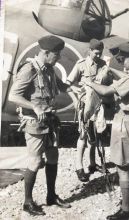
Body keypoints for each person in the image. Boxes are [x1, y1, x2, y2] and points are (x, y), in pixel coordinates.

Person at [85, 42, 129, 219]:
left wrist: (89, 82)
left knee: (123, 167)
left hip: (126, 122)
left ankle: (126, 210)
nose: (122, 62)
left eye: (124, 59)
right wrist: (112, 70)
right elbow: (127, 77)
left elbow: (107, 91)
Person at [9, 35, 71, 216]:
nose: (59, 57)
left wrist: (76, 87)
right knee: (35, 161)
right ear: (46, 53)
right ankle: (27, 202)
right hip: (34, 123)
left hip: (50, 121)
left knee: (53, 157)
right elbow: (14, 96)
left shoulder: (49, 69)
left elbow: (62, 86)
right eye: (57, 54)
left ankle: (51, 196)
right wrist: (33, 106)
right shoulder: (29, 70)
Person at [66, 39, 114, 182]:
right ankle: (79, 167)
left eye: (100, 53)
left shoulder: (103, 65)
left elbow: (107, 85)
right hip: (85, 106)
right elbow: (67, 84)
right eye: (96, 53)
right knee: (83, 136)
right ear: (89, 50)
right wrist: (75, 100)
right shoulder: (81, 65)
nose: (98, 56)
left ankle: (92, 164)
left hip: (98, 106)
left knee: (95, 136)